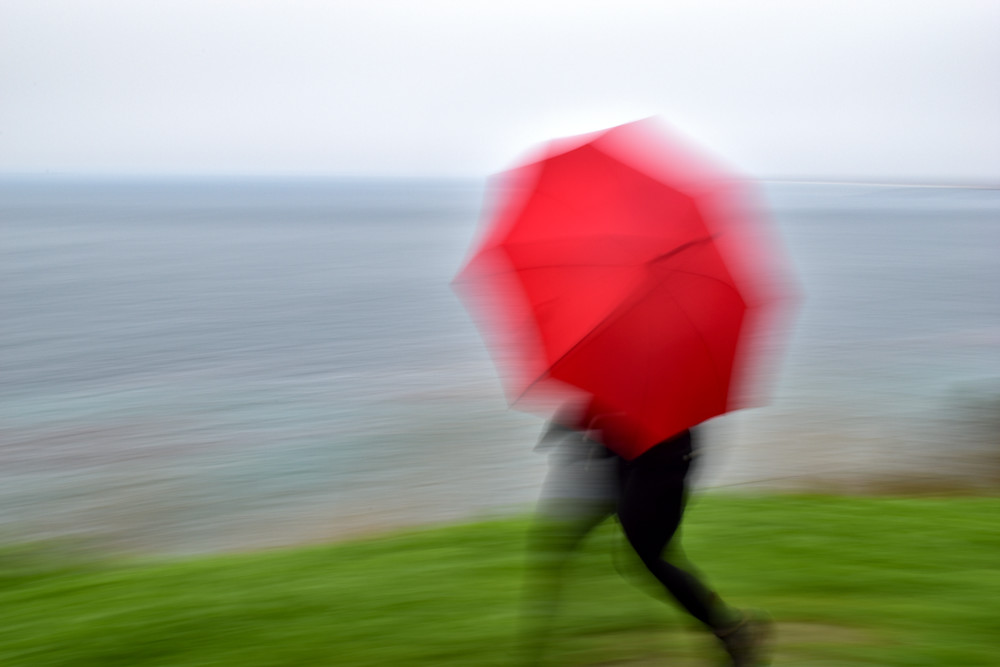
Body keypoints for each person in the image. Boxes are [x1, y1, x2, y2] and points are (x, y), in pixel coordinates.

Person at [520, 412, 772, 666]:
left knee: (648, 553)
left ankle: (733, 627)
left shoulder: (663, 388)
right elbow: (601, 397)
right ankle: (534, 646)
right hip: (622, 453)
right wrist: (571, 421)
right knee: (563, 542)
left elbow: (645, 407)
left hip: (662, 462)